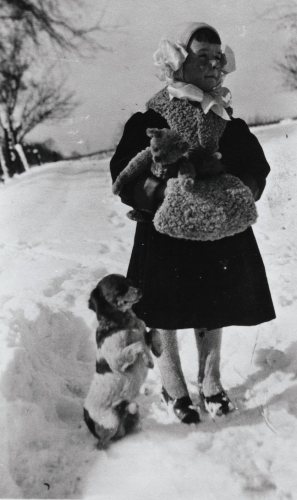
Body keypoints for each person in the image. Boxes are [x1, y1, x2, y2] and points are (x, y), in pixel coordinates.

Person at [110, 22, 276, 424]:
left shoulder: (228, 121)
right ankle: (173, 386)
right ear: (178, 63)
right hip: (163, 231)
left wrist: (239, 188)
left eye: (219, 58)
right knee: (165, 308)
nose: (214, 66)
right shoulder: (150, 117)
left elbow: (257, 167)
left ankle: (212, 382)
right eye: (203, 57)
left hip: (217, 229)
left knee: (213, 301)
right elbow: (122, 174)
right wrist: (159, 193)